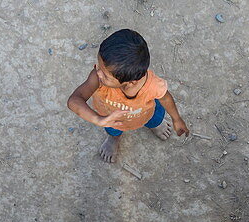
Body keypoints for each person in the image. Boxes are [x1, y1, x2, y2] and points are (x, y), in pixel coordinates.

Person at [66, 28, 190, 163]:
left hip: (147, 113)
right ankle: (114, 139)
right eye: (99, 67)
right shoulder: (97, 78)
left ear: (130, 82)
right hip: (112, 119)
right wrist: (99, 120)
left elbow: (165, 98)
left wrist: (176, 119)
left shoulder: (153, 86)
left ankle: (155, 125)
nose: (98, 72)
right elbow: (74, 100)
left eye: (105, 75)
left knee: (155, 119)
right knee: (113, 131)